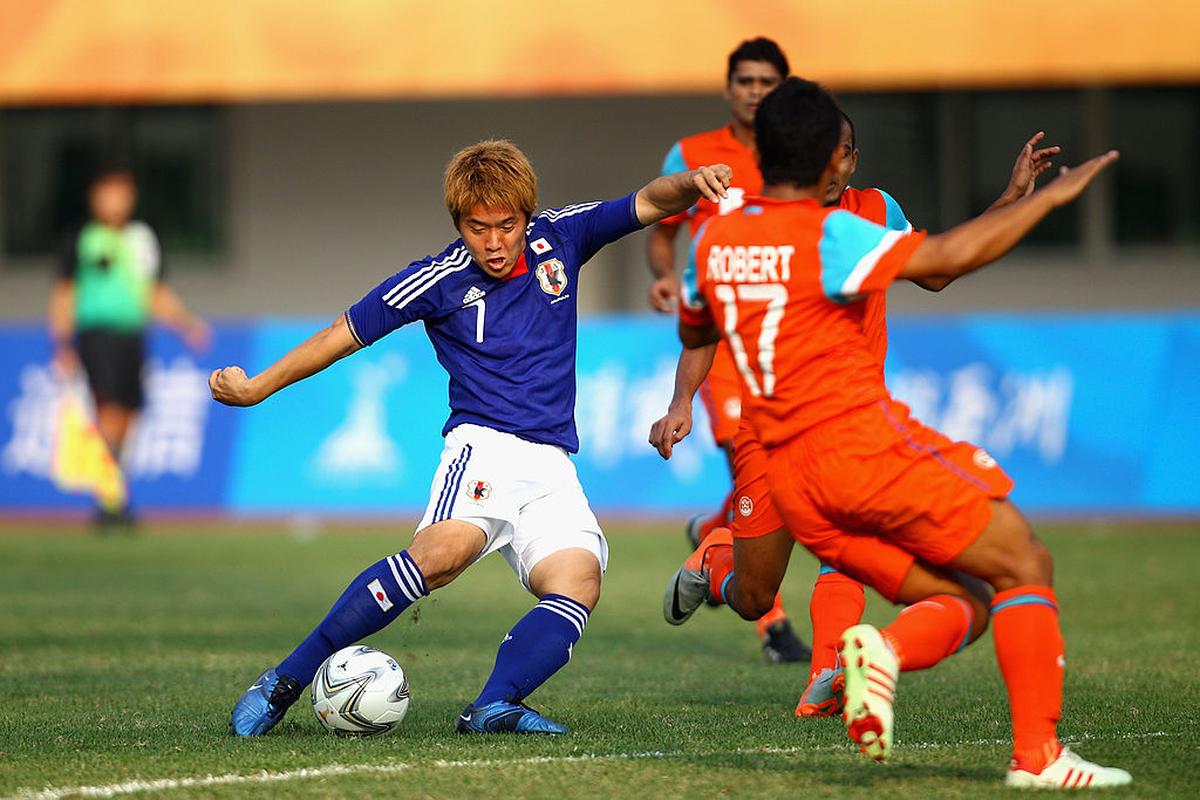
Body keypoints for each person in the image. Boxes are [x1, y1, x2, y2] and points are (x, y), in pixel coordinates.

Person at [659, 78, 1129, 788]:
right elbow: (943, 261)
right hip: (856, 448)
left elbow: (697, 328)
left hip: (791, 476)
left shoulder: (712, 240)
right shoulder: (832, 230)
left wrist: (682, 399)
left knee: (965, 601)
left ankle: (876, 651)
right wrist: (1052, 200)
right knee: (1025, 563)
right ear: (829, 163)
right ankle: (1036, 756)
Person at [210, 139, 732, 737]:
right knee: (442, 557)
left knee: (577, 580)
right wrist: (256, 389)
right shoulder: (436, 279)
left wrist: (690, 183)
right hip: (483, 448)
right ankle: (284, 680)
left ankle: (492, 705)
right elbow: (338, 335)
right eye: (477, 227)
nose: (493, 242)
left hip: (553, 463)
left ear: (527, 217)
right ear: (459, 223)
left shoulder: (561, 236)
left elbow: (645, 201)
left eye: (507, 226)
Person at [645, 35, 809, 663]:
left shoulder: (798, 155)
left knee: (780, 473)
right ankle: (775, 629)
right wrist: (664, 273)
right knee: (754, 466)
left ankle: (713, 537)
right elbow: (661, 225)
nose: (755, 92)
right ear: (728, 88)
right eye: (746, 81)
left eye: (768, 82)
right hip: (720, 341)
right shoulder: (691, 155)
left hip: (787, 343)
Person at [48, 167, 210, 529]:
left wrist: (187, 323)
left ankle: (113, 489)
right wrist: (62, 343)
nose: (116, 201)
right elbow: (64, 293)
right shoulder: (81, 238)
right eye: (109, 193)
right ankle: (109, 499)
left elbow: (154, 292)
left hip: (133, 336)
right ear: (95, 197)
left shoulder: (142, 239)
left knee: (129, 414)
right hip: (97, 335)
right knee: (108, 409)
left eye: (123, 193)